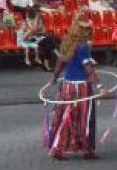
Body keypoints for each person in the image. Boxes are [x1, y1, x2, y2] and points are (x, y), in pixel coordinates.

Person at [45, 15, 105, 160]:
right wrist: (100, 85)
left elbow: (60, 62)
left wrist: (54, 77)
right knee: (84, 118)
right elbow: (87, 68)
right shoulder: (83, 46)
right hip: (81, 88)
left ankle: (59, 147)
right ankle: (85, 149)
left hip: (67, 86)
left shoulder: (67, 41)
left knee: (66, 116)